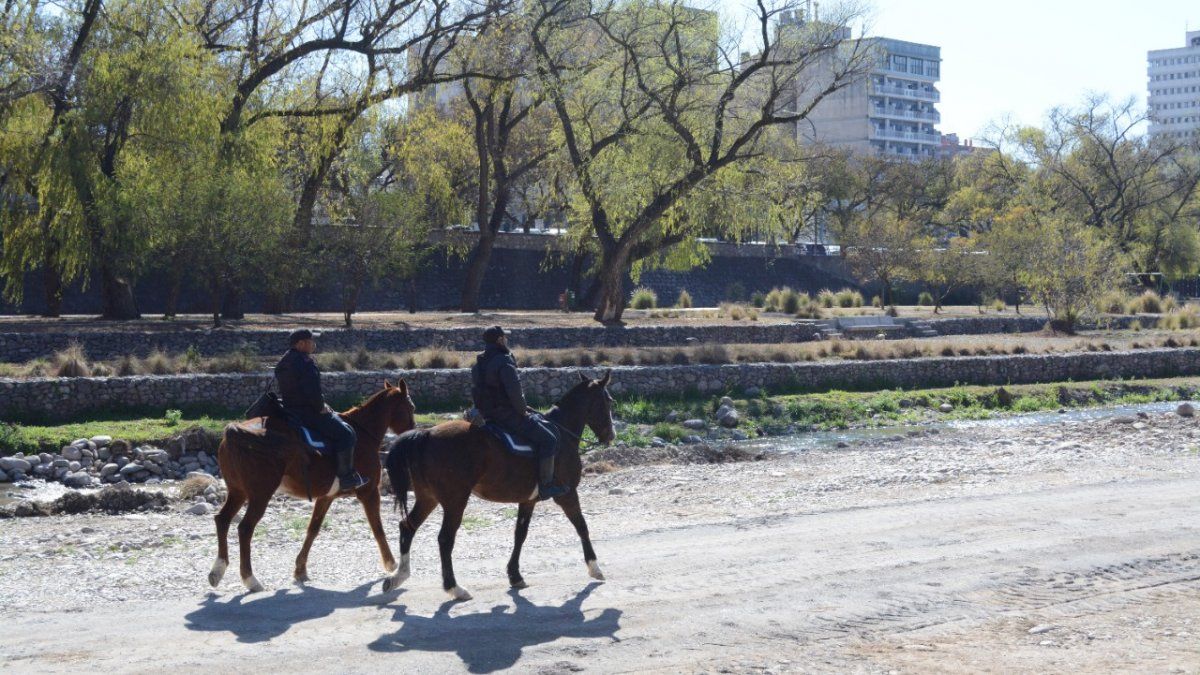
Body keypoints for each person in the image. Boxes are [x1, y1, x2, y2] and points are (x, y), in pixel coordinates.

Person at [471, 326, 569, 500]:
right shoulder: (504, 361)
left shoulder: (479, 363)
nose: (506, 341)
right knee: (549, 440)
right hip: (506, 415)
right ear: (500, 340)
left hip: (486, 415)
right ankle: (546, 485)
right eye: (504, 338)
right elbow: (515, 393)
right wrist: (523, 411)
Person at [275, 329, 366, 493]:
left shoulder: (284, 361)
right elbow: (312, 391)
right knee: (346, 434)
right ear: (301, 343)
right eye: (311, 341)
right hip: (309, 413)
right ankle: (346, 478)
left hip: (290, 411)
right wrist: (321, 407)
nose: (314, 344)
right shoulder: (304, 363)